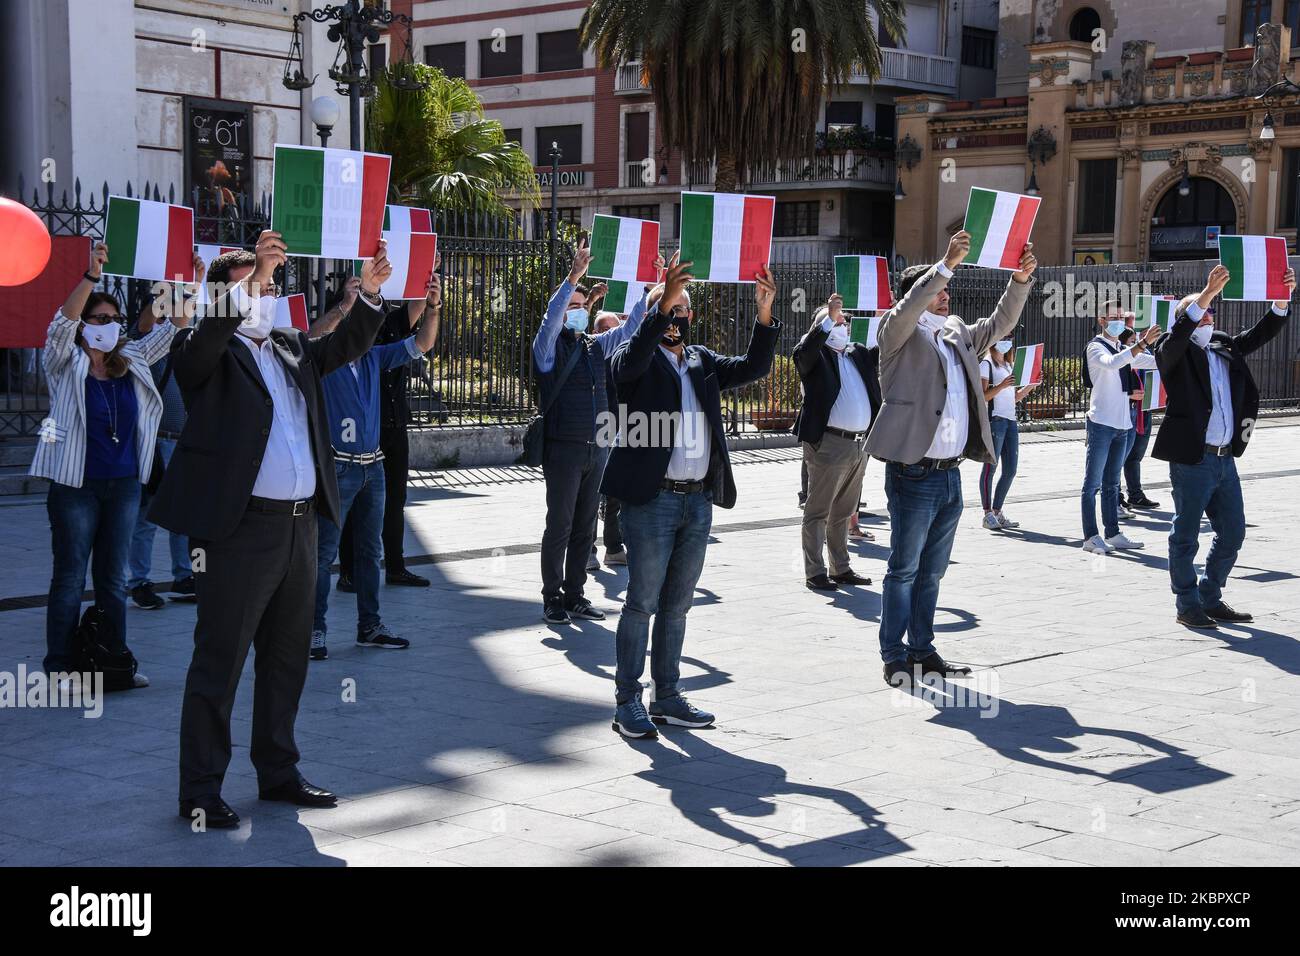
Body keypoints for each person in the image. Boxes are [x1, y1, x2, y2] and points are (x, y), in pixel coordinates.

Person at [149, 232, 391, 829]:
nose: (264, 291)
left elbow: (342, 347)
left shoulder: (288, 347)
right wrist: (248, 278)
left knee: (287, 659)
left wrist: (371, 296)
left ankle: (278, 770)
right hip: (237, 534)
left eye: (268, 284)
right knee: (221, 659)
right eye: (250, 285)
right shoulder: (201, 349)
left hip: (300, 528)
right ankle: (201, 789)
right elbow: (199, 351)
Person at [602, 254, 780, 738]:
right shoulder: (631, 360)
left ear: (691, 318)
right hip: (651, 501)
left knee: (678, 605)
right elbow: (629, 365)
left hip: (697, 501)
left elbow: (754, 366)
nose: (675, 317)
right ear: (653, 316)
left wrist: (764, 315)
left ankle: (667, 695)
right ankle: (627, 702)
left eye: (682, 311)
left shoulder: (702, 360)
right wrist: (660, 301)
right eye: (668, 309)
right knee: (641, 602)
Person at [864, 230, 1037, 687]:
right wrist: (944, 264)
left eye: (946, 291)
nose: (945, 296)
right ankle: (894, 654)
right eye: (938, 291)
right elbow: (906, 313)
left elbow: (999, 325)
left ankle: (922, 649)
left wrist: (1019, 281)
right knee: (903, 569)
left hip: (949, 475)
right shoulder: (896, 333)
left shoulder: (957, 332)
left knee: (933, 571)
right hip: (914, 472)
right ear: (916, 296)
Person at [32, 240, 180, 681]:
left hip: (123, 485)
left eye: (115, 320)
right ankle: (59, 667)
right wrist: (92, 274)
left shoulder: (131, 359)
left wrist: (182, 281)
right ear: (85, 326)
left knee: (113, 581)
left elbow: (174, 329)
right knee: (70, 579)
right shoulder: (65, 361)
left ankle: (113, 662)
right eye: (100, 319)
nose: (110, 326)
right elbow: (61, 324)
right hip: (75, 487)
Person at [308, 269, 443, 661]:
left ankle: (370, 625)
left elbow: (422, 343)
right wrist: (345, 306)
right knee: (323, 554)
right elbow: (309, 335)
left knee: (371, 553)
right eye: (356, 292)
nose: (365, 298)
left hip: (373, 467)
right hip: (337, 468)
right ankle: (314, 629)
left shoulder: (372, 356)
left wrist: (433, 306)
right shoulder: (320, 358)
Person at [1155, 264, 1293, 629]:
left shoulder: (1223, 345)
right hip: (1193, 459)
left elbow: (1258, 335)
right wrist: (1205, 294)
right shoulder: (1172, 351)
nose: (1210, 315)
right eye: (1204, 311)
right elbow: (1178, 337)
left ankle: (1210, 595)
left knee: (1233, 532)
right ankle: (1187, 604)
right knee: (1185, 535)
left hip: (1224, 458)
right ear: (1189, 316)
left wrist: (1280, 303)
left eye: (1212, 311)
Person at [532, 240, 647, 625]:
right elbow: (550, 322)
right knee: (560, 526)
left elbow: (632, 329)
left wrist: (651, 290)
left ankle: (575, 594)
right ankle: (552, 597)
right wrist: (572, 279)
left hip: (597, 448)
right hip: (563, 449)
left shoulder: (594, 346)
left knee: (585, 528)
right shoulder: (548, 349)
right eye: (573, 308)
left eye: (583, 307)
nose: (579, 313)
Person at [335, 272, 441, 590]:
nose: (369, 294)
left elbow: (421, 330)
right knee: (354, 502)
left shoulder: (390, 325)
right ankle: (348, 571)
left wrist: (427, 270)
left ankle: (395, 566)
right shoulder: (341, 332)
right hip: (358, 430)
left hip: (393, 423)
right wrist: (347, 302)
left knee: (394, 499)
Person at [127, 269, 206, 609]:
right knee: (147, 515)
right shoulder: (146, 345)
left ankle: (185, 574)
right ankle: (139, 581)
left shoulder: (186, 344)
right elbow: (145, 323)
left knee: (184, 513)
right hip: (156, 442)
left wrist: (194, 285)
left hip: (184, 441)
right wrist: (166, 294)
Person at [792, 293, 880, 591]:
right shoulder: (814, 357)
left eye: (844, 321)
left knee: (843, 510)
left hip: (859, 445)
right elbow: (806, 351)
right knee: (818, 511)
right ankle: (815, 571)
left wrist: (890, 316)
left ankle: (840, 568)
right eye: (836, 322)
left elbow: (885, 347)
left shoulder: (856, 353)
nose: (843, 325)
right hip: (830, 443)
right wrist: (827, 318)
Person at [1081, 302, 1160, 553]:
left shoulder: (1123, 348)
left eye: (1120, 317)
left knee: (1112, 484)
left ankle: (1113, 533)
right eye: (1112, 317)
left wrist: (1177, 349)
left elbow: (1151, 361)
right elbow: (1112, 363)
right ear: (1101, 320)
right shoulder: (1095, 347)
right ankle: (1090, 537)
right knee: (1091, 485)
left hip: (1123, 424)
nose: (1117, 321)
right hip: (1101, 424)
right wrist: (1140, 345)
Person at [978, 339, 1038, 530]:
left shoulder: (1009, 364)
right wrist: (1002, 385)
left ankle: (997, 511)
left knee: (1010, 470)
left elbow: (1015, 397)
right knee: (990, 468)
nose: (1007, 342)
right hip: (995, 420)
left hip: (1010, 420)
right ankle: (987, 514)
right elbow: (983, 396)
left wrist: (1031, 384)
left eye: (1009, 338)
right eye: (1002, 337)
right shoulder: (986, 364)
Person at [592, 309, 627, 567]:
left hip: (619, 428)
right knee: (591, 492)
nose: (612, 335)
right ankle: (586, 549)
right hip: (593, 430)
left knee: (615, 491)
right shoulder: (589, 356)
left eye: (616, 329)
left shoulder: (625, 358)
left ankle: (614, 547)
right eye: (606, 330)